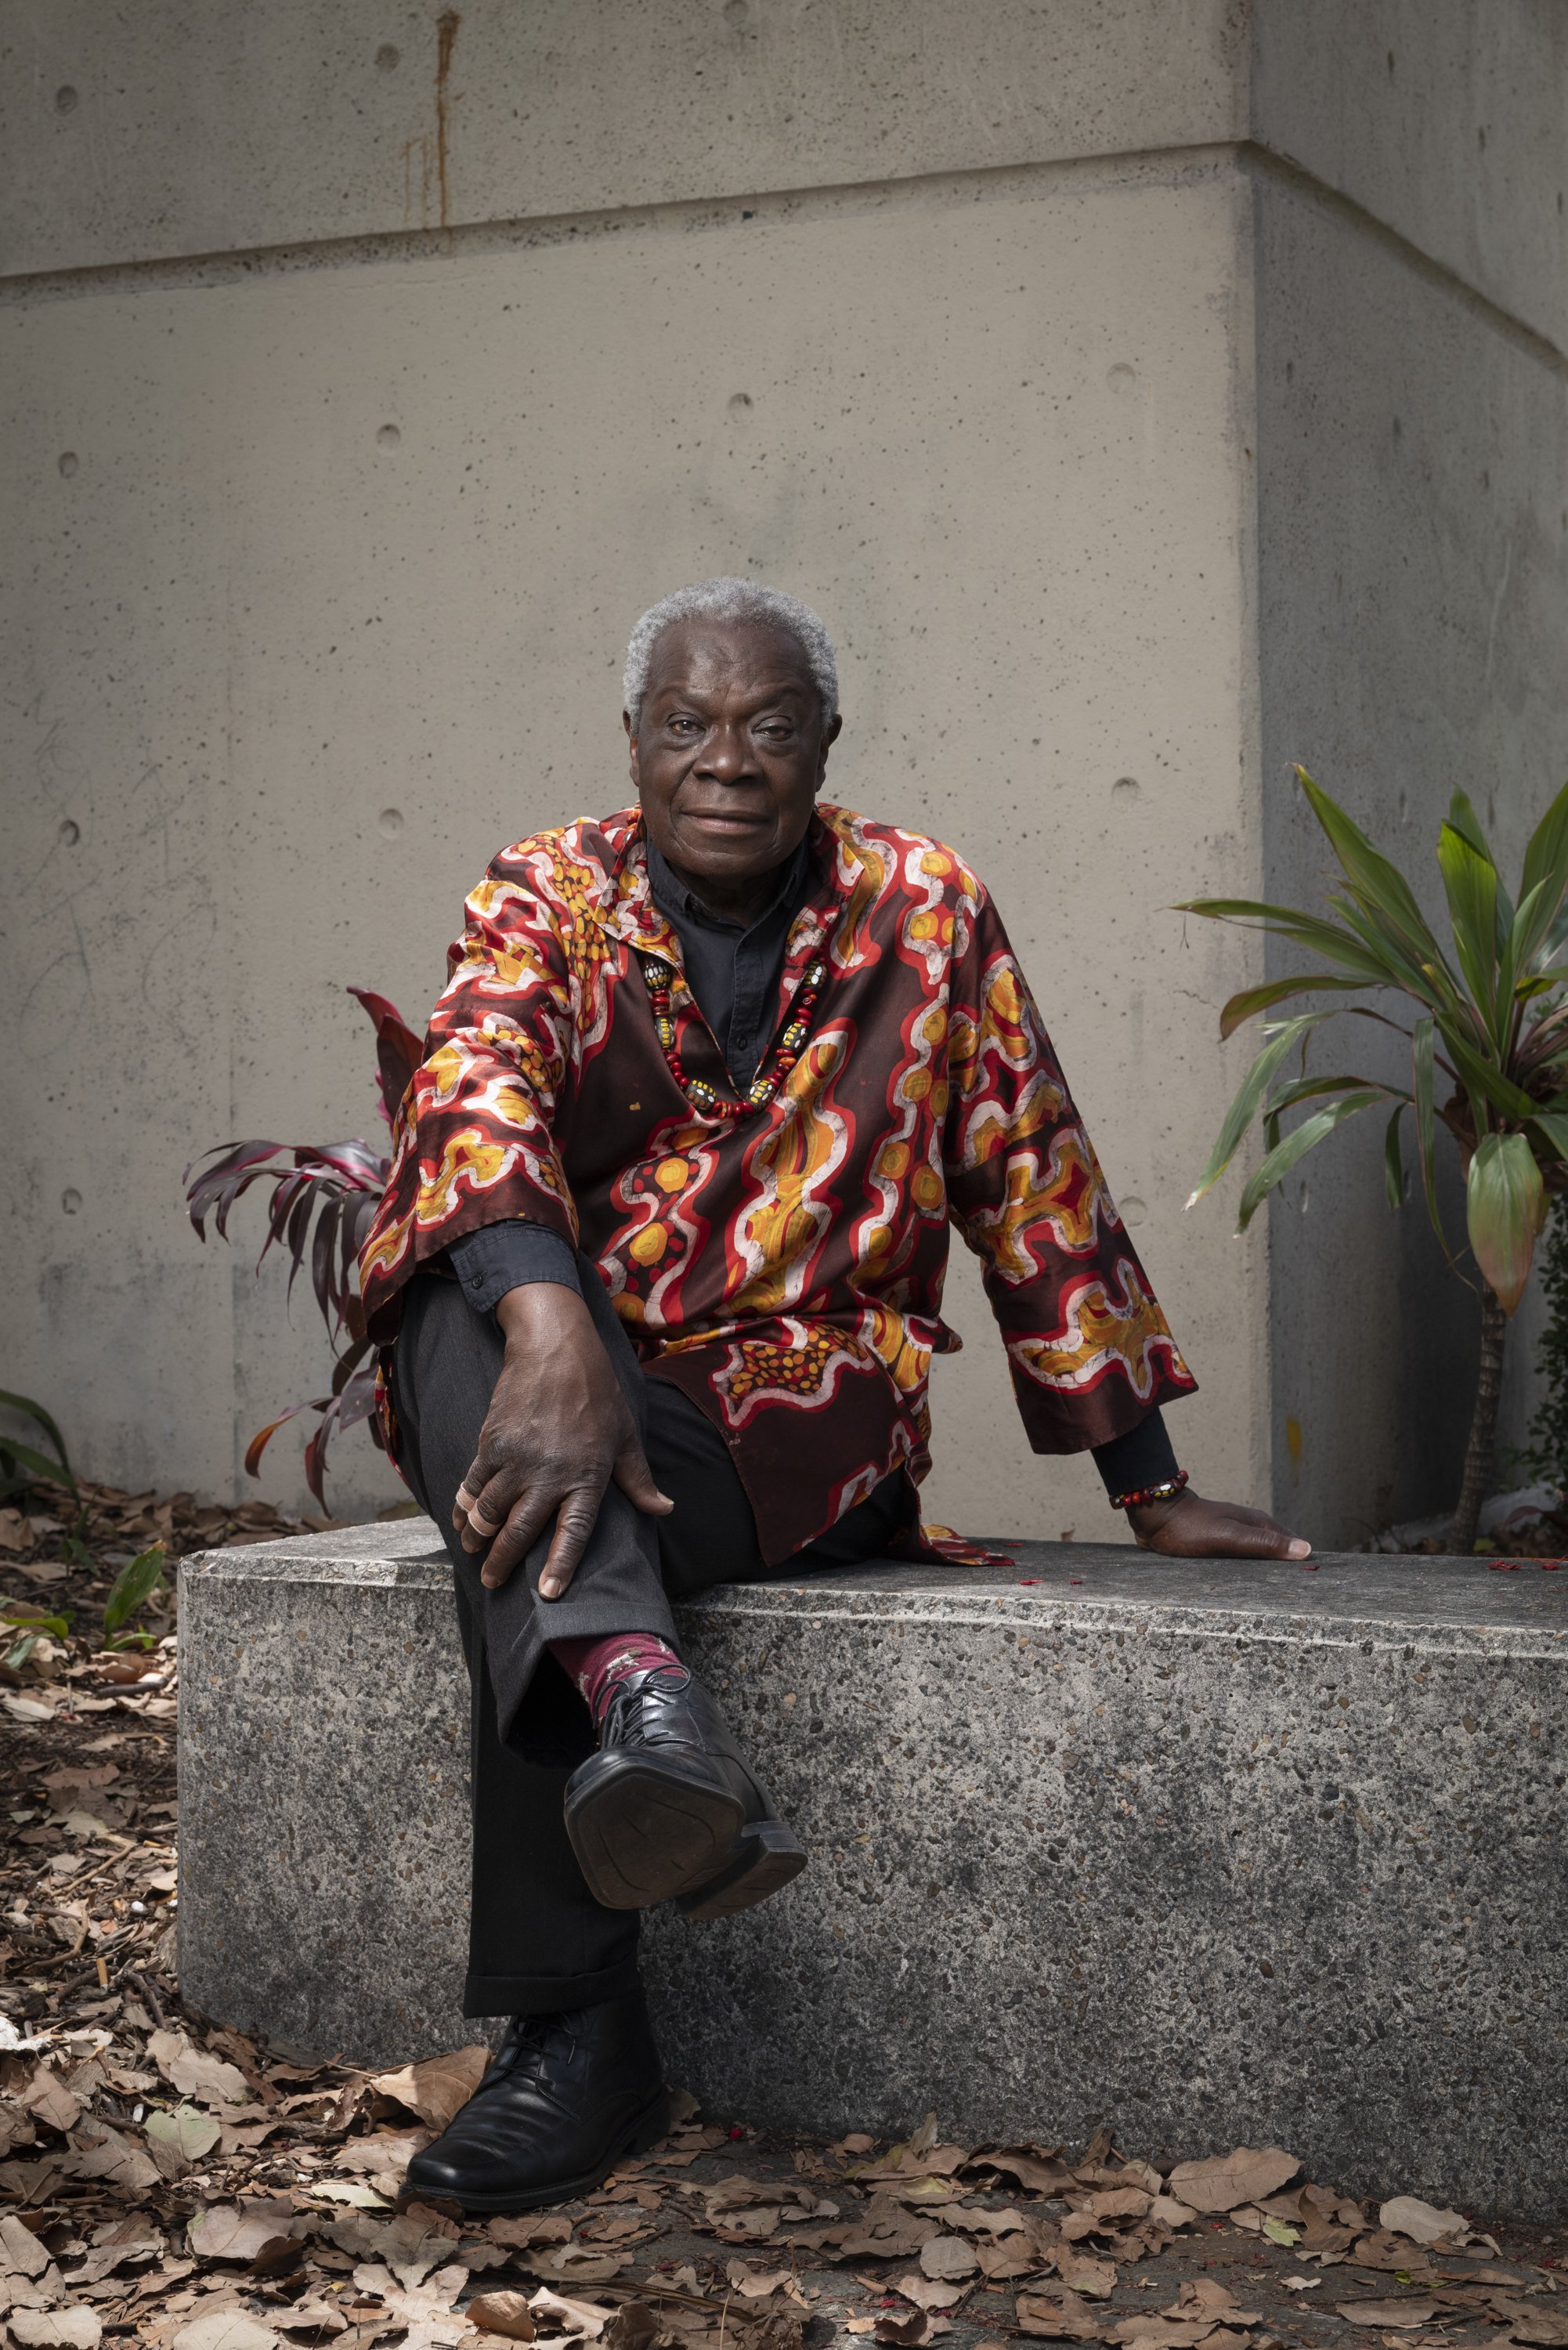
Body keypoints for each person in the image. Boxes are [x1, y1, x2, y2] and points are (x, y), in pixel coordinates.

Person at [358, 577, 1309, 2214]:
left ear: (824, 744)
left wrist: (1143, 1480)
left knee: (514, 1477)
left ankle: (577, 2039)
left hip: (791, 1410)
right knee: (466, 1299)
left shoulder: (923, 908)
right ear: (634, 743)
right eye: (686, 723)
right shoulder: (543, 889)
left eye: (767, 723)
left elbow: (1028, 1169)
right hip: (566, 1373)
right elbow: (472, 1091)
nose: (725, 759)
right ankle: (642, 1695)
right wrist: (558, 1328)